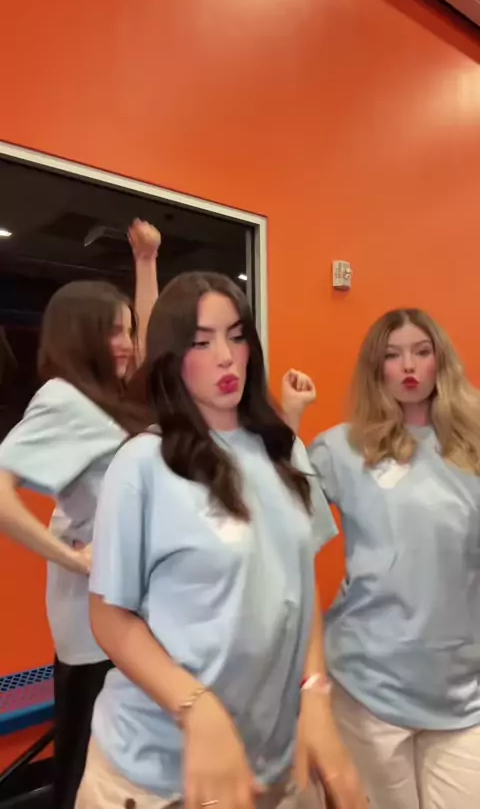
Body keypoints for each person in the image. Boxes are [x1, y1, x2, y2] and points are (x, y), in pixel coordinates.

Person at [76, 271, 368, 809]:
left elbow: (299, 589)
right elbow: (109, 616)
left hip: (267, 765)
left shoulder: (284, 450)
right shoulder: (143, 463)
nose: (226, 357)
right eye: (201, 342)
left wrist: (315, 692)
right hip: (157, 775)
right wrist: (195, 707)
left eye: (236, 336)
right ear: (171, 358)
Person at [284, 308, 480, 809]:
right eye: (393, 356)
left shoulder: (474, 447)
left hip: (462, 693)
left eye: (421, 352)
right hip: (368, 688)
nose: (408, 366)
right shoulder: (342, 448)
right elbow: (283, 521)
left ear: (441, 360)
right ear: (377, 369)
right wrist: (289, 422)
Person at [0, 219, 160, 809]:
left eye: (128, 330)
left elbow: (154, 352)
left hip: (129, 611)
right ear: (80, 334)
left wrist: (146, 264)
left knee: (117, 761)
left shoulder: (112, 399)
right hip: (94, 623)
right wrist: (75, 559)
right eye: (113, 331)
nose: (127, 343)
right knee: (87, 766)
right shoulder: (64, 398)